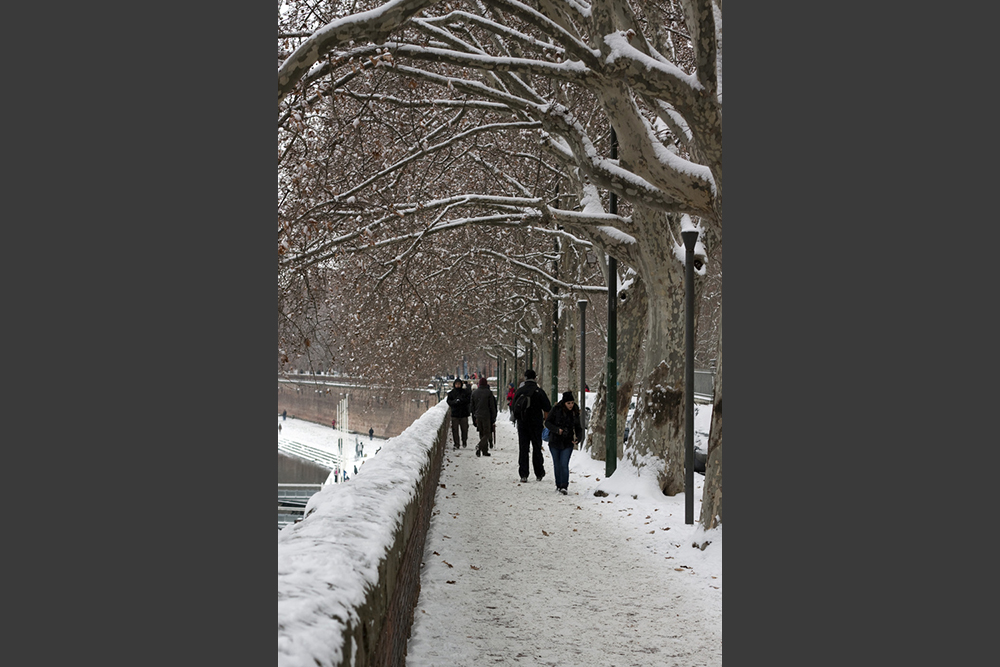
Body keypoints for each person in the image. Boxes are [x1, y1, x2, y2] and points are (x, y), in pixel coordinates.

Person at [511, 369, 551, 483]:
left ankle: (523, 474)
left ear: (525, 378)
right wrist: (544, 420)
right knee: (536, 448)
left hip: (522, 424)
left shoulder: (520, 391)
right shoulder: (539, 391)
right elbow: (547, 408)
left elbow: (513, 407)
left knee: (523, 449)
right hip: (536, 424)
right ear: (535, 378)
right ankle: (539, 472)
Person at [545, 392, 584, 495]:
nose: (571, 405)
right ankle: (558, 484)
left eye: (572, 402)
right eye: (568, 403)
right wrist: (557, 430)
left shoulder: (575, 412)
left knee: (564, 464)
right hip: (554, 441)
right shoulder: (556, 409)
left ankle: (564, 486)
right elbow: (547, 422)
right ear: (564, 403)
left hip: (567, 442)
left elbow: (578, 428)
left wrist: (578, 438)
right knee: (557, 464)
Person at [471, 377, 498, 457]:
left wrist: (474, 417)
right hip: (487, 416)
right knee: (487, 433)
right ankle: (480, 447)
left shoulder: (474, 393)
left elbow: (472, 407)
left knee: (481, 433)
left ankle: (484, 450)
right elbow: (492, 406)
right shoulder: (488, 393)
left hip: (478, 415)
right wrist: (493, 417)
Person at [446, 378, 472, 449]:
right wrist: (454, 402)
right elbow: (449, 401)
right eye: (456, 384)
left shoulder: (465, 392)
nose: (458, 385)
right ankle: (456, 443)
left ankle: (464, 440)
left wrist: (461, 401)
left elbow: (468, 400)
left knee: (464, 429)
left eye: (459, 384)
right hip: (455, 414)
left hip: (464, 413)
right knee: (455, 430)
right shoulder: (451, 393)